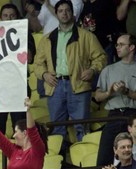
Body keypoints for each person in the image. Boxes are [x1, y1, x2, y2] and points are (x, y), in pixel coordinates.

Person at [34, 0, 107, 146]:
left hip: (79, 85)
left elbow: (101, 57)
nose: (64, 13)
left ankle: (85, 164)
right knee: (57, 128)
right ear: (56, 14)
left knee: (82, 127)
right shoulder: (47, 38)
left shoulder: (86, 36)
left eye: (67, 10)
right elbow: (37, 63)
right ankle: (58, 164)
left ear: (72, 13)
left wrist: (92, 70)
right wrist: (44, 75)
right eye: (60, 11)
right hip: (55, 86)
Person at [95, 33, 136, 166]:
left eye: (121, 45)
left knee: (134, 158)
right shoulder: (108, 70)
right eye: (117, 44)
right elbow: (97, 96)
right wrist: (109, 92)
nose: (117, 47)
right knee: (104, 158)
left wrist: (126, 91)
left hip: (134, 115)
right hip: (114, 115)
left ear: (132, 47)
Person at [0, 3, 36, 139]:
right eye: (5, 16)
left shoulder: (25, 33)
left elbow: (30, 57)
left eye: (12, 16)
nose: (9, 19)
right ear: (0, 18)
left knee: (20, 129)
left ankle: (22, 158)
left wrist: (19, 37)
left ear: (17, 17)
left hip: (19, 86)